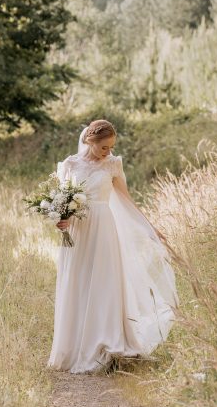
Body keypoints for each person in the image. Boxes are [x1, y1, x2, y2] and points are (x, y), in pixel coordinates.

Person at [47, 119, 178, 374]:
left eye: (111, 147)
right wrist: (61, 219)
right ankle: (73, 347)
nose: (108, 152)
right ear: (90, 141)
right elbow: (63, 202)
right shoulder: (70, 165)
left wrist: (150, 228)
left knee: (104, 285)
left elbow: (127, 200)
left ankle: (106, 346)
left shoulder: (113, 165)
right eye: (104, 147)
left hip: (104, 231)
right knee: (77, 283)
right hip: (78, 232)